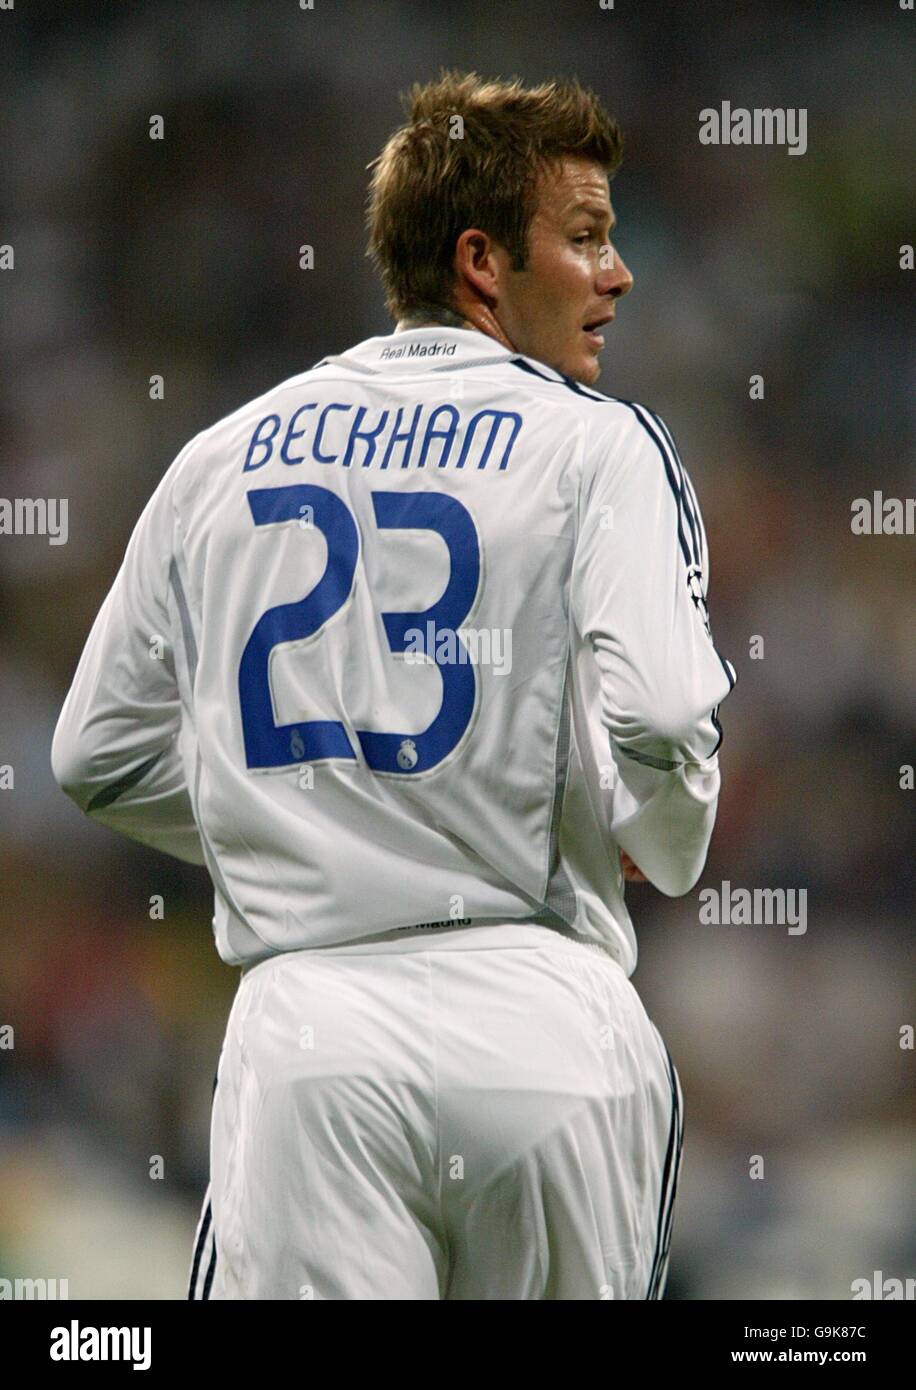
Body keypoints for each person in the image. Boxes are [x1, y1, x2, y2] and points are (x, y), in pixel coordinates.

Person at [52, 70, 736, 1300]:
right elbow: (664, 717)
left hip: (312, 1041)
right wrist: (655, 833)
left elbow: (93, 753)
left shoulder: (221, 455)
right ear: (482, 261)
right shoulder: (598, 441)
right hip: (548, 1028)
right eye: (583, 237)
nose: (618, 272)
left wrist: (306, 818)